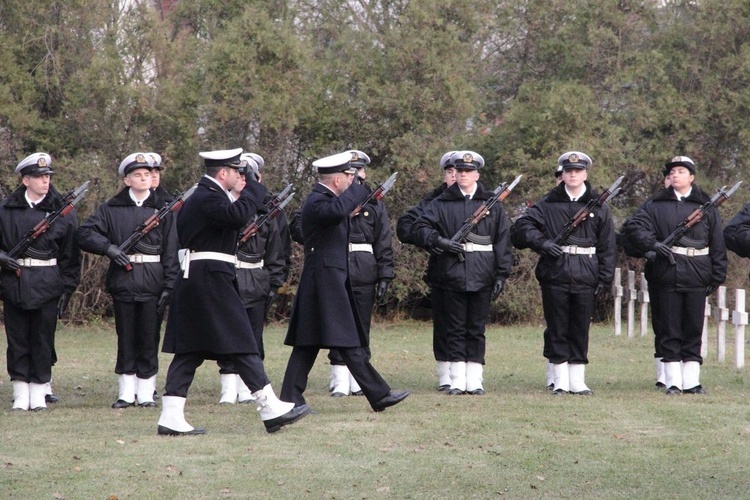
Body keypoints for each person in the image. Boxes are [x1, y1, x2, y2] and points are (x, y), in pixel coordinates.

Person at [158, 148, 308, 435]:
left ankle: (170, 416)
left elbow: (238, 216)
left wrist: (247, 190)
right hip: (209, 278)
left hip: (206, 277)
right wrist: (253, 186)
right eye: (238, 172)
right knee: (242, 339)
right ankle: (269, 406)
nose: (241, 177)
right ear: (223, 173)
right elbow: (238, 217)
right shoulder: (207, 195)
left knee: (190, 350)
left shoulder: (210, 196)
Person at [280, 151, 409, 412]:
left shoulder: (327, 200)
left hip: (327, 277)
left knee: (311, 342)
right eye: (349, 176)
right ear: (337, 179)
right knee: (343, 338)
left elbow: (339, 214)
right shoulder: (318, 200)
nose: (353, 181)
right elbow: (337, 210)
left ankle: (292, 398)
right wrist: (360, 187)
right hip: (324, 279)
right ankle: (379, 394)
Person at [79, 153, 179, 409]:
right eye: (138, 175)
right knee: (125, 336)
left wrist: (170, 285)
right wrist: (109, 248)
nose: (144, 178)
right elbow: (85, 233)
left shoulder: (163, 210)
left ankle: (146, 391)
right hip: (123, 280)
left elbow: (170, 250)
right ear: (127, 180)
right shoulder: (111, 208)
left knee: (149, 336)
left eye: (147, 174)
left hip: (153, 281)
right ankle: (126, 391)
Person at [510, 151, 616, 396]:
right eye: (568, 171)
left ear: (585, 174)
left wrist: (605, 277)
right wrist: (542, 243)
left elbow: (607, 246)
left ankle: (577, 380)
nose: (573, 175)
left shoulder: (599, 208)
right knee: (557, 326)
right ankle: (559, 380)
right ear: (563, 175)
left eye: (577, 171)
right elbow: (521, 228)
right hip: (555, 272)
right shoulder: (548, 204)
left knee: (579, 327)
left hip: (586, 273)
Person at [410, 150, 512, 396]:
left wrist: (501, 274)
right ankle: (456, 379)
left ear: (477, 174)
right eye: (459, 171)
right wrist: (441, 242)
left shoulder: (492, 205)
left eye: (468, 171)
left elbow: (502, 241)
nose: (463, 175)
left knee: (476, 328)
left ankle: (475, 379)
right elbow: (418, 228)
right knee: (454, 327)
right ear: (454, 174)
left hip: (483, 273)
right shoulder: (441, 202)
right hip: (451, 273)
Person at [624, 156, 726, 395]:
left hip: (697, 273)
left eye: (681, 171)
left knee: (692, 327)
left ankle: (691, 381)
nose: (675, 175)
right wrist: (654, 243)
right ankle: (672, 381)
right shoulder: (655, 204)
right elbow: (633, 228)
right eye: (672, 172)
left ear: (692, 177)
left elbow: (717, 243)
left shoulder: (706, 207)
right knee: (669, 328)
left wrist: (717, 274)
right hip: (666, 273)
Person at [0, 153, 81, 411]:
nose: (45, 181)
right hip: (15, 281)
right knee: (18, 339)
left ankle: (39, 391)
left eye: (47, 176)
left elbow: (70, 257)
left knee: (42, 339)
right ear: (25, 180)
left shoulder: (62, 214)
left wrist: (67, 289)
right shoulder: (5, 210)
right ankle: (21, 391)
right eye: (39, 177)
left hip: (48, 283)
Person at [216, 153, 290, 405]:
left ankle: (250, 388)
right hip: (228, 276)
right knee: (226, 334)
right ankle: (228, 387)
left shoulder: (266, 213)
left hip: (256, 278)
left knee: (253, 336)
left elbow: (277, 251)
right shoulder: (222, 207)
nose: (242, 180)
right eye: (238, 174)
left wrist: (273, 283)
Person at [396, 151, 457, 391]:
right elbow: (406, 227)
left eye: (459, 172)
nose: (454, 177)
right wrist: (433, 240)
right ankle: (445, 374)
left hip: (473, 271)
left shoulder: (480, 199)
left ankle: (467, 374)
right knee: (443, 324)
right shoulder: (433, 201)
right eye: (450, 172)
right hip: (442, 270)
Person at [621, 169, 672, 389]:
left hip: (689, 272)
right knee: (662, 322)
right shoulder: (653, 205)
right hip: (661, 271)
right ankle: (663, 372)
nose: (672, 180)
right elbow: (629, 233)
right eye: (669, 176)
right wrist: (646, 251)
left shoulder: (699, 205)